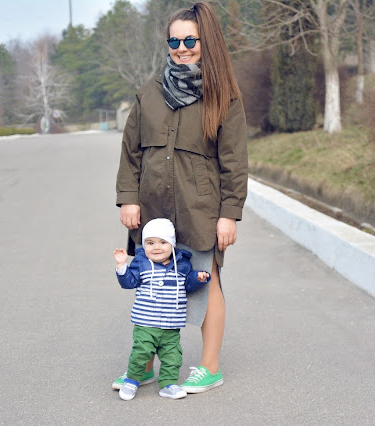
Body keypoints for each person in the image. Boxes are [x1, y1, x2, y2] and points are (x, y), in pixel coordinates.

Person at [114, 1, 248, 394]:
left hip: (200, 208)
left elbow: (234, 161)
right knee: (150, 284)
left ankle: (210, 367)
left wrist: (229, 214)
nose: (182, 48)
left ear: (207, 42)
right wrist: (128, 198)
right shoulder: (150, 92)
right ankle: (143, 366)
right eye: (174, 41)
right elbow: (131, 151)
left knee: (207, 283)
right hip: (153, 206)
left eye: (190, 40)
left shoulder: (224, 96)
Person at [113, 218, 211, 400]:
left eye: (163, 242)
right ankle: (132, 381)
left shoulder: (182, 265)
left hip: (171, 324)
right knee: (141, 353)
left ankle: (168, 384)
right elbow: (129, 282)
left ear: (172, 244)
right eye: (150, 243)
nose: (156, 247)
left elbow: (187, 286)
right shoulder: (141, 263)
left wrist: (198, 278)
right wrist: (122, 266)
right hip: (145, 323)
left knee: (173, 357)